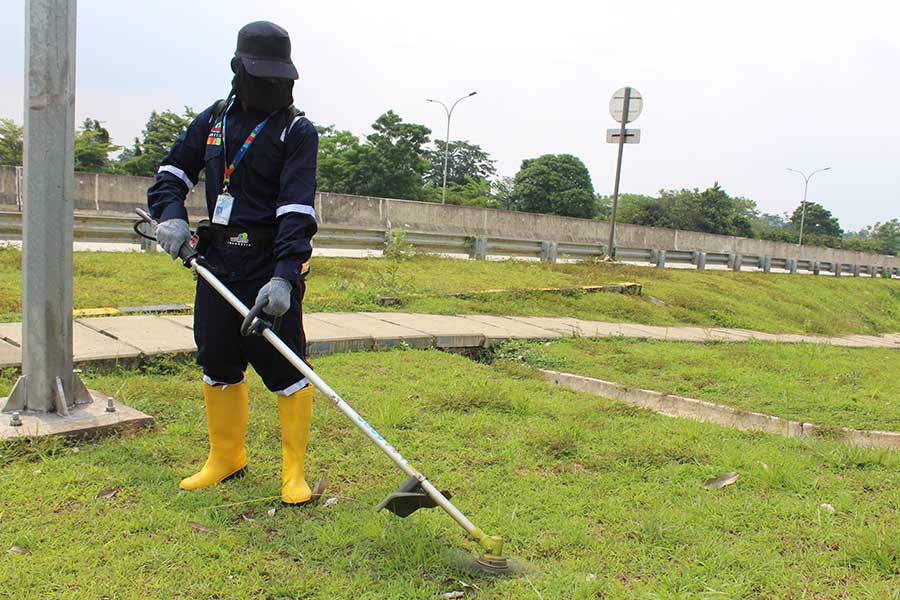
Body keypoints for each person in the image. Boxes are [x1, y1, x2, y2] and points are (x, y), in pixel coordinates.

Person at [147, 21, 319, 505]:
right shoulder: (215, 120)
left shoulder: (296, 130)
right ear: (240, 70)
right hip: (215, 262)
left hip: (268, 268)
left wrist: (285, 276)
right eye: (264, 75)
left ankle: (293, 474)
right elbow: (172, 171)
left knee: (285, 366)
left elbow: (296, 208)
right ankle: (227, 458)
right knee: (217, 360)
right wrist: (171, 217)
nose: (274, 86)